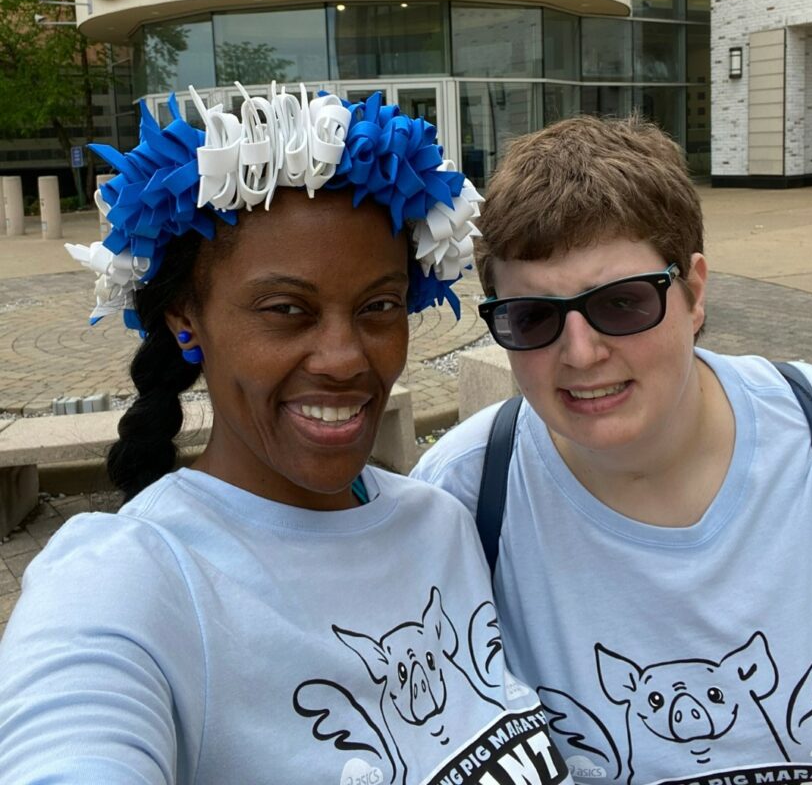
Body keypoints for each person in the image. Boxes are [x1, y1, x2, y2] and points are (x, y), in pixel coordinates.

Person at [0, 88, 573, 785]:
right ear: (185, 320)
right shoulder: (127, 579)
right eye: (285, 310)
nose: (343, 358)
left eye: (378, 306)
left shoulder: (440, 523)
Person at [412, 115, 812, 785]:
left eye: (623, 304)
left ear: (694, 292)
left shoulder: (808, 434)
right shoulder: (458, 498)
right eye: (533, 317)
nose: (579, 353)